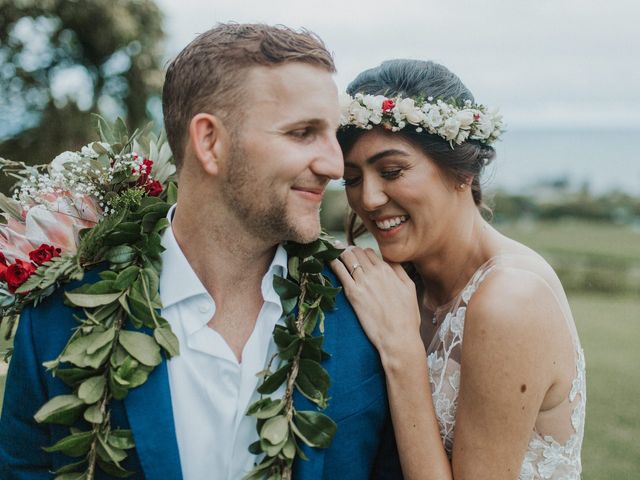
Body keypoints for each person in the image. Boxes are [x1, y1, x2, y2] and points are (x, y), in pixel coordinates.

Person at [0, 25, 402, 479]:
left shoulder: (366, 307)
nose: (333, 166)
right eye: (303, 132)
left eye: (333, 135)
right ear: (209, 141)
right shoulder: (57, 319)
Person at [332, 59, 585, 479]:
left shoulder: (510, 301)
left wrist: (402, 352)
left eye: (391, 171)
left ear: (462, 171)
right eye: (352, 178)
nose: (369, 199)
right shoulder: (399, 286)